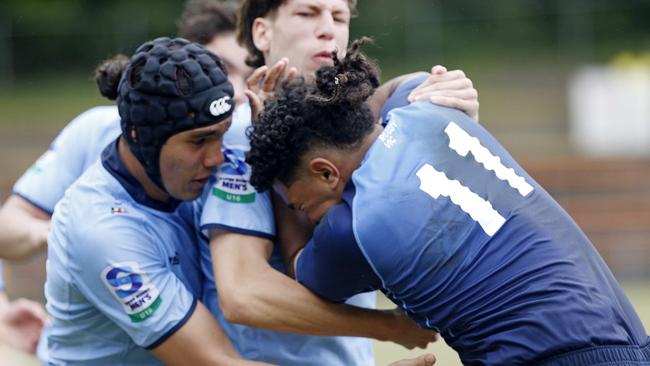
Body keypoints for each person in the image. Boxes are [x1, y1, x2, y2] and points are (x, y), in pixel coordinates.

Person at [245, 39, 650, 366]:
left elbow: (301, 265)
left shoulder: (351, 229)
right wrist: (323, 112)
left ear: (327, 173)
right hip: (627, 337)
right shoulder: (426, 111)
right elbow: (411, 82)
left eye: (301, 204)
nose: (308, 215)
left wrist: (281, 198)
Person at [198, 0, 480, 364]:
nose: (328, 28)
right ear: (262, 32)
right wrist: (389, 327)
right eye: (307, 13)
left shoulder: (357, 122)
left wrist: (454, 110)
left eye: (340, 16)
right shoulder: (243, 131)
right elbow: (243, 294)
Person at [43, 36, 272, 365]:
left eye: (222, 133)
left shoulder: (183, 175)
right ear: (140, 136)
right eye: (199, 141)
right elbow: (217, 361)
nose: (216, 158)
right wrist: (376, 326)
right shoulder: (102, 229)